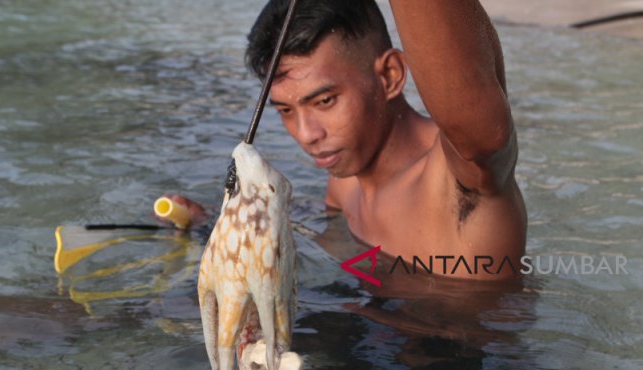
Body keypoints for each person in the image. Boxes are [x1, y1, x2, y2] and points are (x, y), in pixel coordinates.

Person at [163, 0, 526, 280]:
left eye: (325, 101)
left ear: (390, 75)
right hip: (360, 344)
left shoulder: (459, 178)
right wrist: (217, 221)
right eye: (285, 110)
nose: (307, 135)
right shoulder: (345, 180)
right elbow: (327, 236)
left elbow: (481, 132)